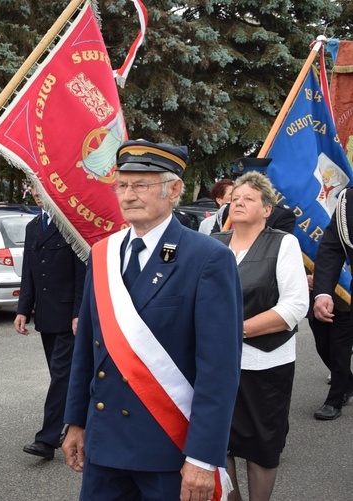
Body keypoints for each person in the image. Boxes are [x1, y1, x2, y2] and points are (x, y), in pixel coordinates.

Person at [63, 140, 243, 501]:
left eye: (140, 185)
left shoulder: (208, 258)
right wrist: (76, 422)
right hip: (105, 444)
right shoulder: (103, 254)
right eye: (122, 185)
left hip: (168, 449)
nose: (128, 195)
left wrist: (203, 458)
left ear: (174, 189)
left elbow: (218, 370)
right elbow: (85, 349)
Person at [212, 171, 308, 501]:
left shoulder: (283, 243)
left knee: (262, 447)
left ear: (267, 209)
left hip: (265, 364)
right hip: (217, 364)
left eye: (248, 199)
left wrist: (235, 329)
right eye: (234, 199)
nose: (237, 202)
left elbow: (295, 306)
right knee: (219, 442)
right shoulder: (214, 246)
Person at [14, 188, 85, 460]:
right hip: (46, 315)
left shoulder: (69, 223)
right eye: (32, 187)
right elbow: (28, 272)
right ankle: (80, 420)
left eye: (40, 186)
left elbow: (83, 271)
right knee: (61, 376)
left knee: (61, 376)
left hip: (69, 316)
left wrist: (79, 311)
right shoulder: (33, 226)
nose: (35, 192)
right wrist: (23, 309)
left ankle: (47, 439)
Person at [312, 187, 353, 420]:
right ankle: (339, 392)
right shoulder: (349, 199)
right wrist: (323, 293)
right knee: (330, 345)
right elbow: (332, 248)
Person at [212, 158, 296, 234]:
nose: (239, 203)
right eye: (240, 182)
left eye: (251, 183)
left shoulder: (280, 215)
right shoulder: (227, 210)